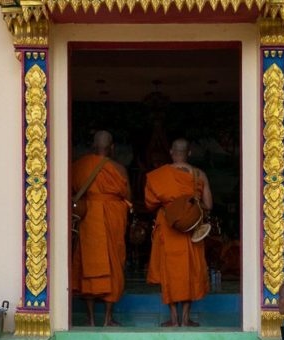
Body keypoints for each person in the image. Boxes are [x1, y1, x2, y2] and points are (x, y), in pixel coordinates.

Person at [144, 138, 212, 327]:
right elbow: (208, 205)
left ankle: (173, 318)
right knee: (189, 271)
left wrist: (172, 205)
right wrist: (190, 209)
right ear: (189, 153)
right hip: (192, 230)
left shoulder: (159, 176)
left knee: (170, 272)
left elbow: (149, 204)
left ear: (172, 152)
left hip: (168, 227)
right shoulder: (199, 175)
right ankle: (185, 318)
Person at [71, 130, 131, 327]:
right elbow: (128, 196)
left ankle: (90, 319)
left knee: (88, 266)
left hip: (89, 219)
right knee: (113, 265)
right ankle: (107, 319)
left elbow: (69, 191)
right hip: (113, 218)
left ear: (92, 146)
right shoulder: (119, 169)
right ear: (112, 148)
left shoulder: (78, 166)